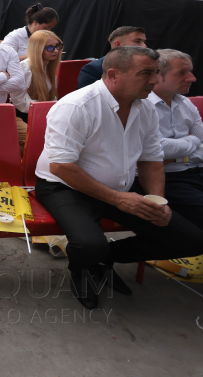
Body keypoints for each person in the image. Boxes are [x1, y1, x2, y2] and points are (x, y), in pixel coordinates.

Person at [34, 46, 203, 309]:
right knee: (89, 244)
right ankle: (82, 267)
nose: (154, 80)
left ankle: (104, 260)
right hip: (65, 186)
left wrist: (158, 202)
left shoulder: (145, 108)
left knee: (190, 239)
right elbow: (61, 167)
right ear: (113, 75)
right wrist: (119, 200)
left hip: (121, 188)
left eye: (156, 72)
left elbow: (151, 160)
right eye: (145, 73)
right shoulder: (76, 106)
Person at [147, 50, 203, 230]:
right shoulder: (142, 106)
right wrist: (193, 142)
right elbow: (157, 149)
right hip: (167, 178)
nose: (192, 78)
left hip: (196, 170)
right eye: (181, 73)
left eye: (190, 71)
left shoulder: (185, 103)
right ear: (157, 76)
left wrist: (179, 155)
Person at [77, 26, 147, 89]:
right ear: (118, 44)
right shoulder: (93, 70)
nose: (144, 46)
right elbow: (87, 98)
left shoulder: (147, 66)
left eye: (144, 42)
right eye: (137, 41)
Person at [11, 30, 62, 115]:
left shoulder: (49, 66)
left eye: (57, 46)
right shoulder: (25, 67)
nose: (56, 50)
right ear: (38, 49)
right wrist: (45, 110)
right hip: (25, 114)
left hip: (42, 112)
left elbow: (52, 97)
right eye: (50, 47)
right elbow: (18, 100)